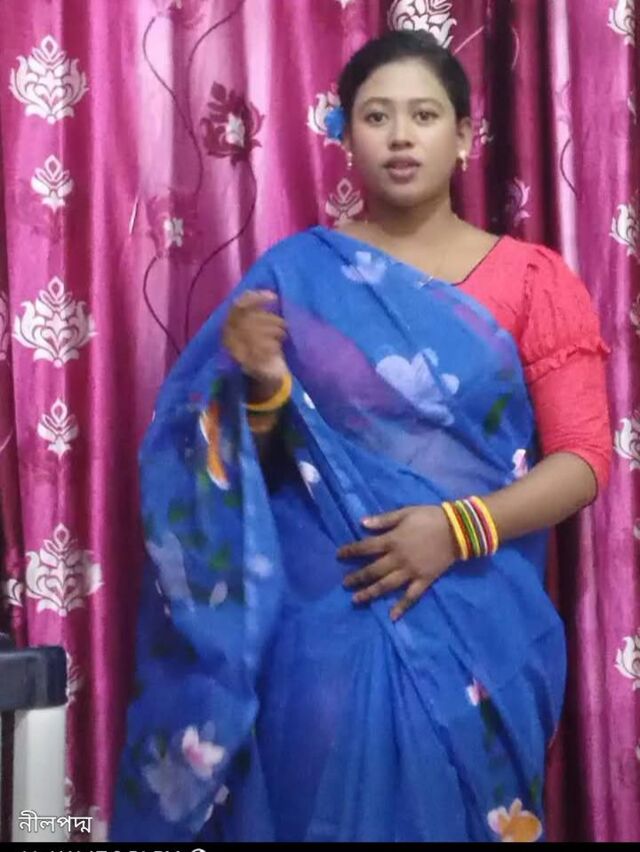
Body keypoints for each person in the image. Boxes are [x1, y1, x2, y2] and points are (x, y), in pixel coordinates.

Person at [109, 31, 611, 843]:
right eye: (377, 116)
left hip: (478, 631)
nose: (401, 135)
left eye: (424, 115)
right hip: (320, 637)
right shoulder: (296, 278)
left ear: (464, 136)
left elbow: (584, 460)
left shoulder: (533, 280)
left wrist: (457, 529)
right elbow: (243, 471)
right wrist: (261, 389)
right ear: (345, 137)